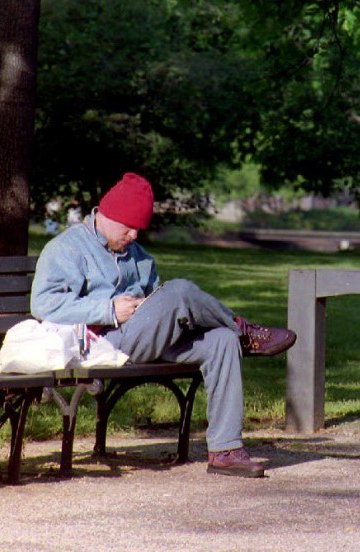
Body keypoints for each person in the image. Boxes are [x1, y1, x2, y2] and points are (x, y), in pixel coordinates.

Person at [30, 172, 297, 478]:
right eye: (128, 227)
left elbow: (157, 302)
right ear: (106, 214)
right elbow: (43, 305)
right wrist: (108, 309)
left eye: (139, 229)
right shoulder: (67, 248)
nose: (133, 235)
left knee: (223, 340)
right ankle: (244, 330)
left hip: (148, 338)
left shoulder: (139, 256)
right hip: (104, 342)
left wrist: (148, 306)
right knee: (180, 290)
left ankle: (226, 450)